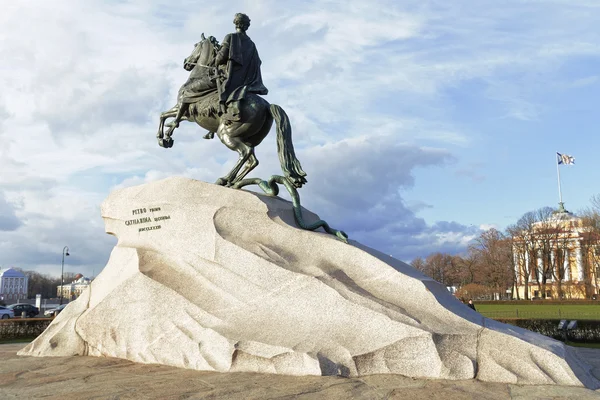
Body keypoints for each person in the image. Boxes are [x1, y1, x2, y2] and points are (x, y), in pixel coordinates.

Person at [211, 13, 268, 122]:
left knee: (210, 84)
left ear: (236, 24)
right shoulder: (252, 44)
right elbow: (258, 62)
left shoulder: (231, 37)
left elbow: (221, 56)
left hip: (232, 77)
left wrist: (214, 61)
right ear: (246, 26)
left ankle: (221, 106)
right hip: (247, 81)